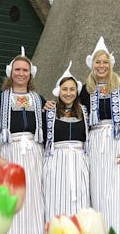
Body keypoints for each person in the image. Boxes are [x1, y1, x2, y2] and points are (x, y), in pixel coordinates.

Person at [0, 47, 45, 233]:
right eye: (18, 69)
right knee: (8, 202)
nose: (21, 73)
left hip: (34, 156)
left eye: (25, 70)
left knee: (33, 199)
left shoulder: (39, 100)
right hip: (8, 154)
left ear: (30, 74)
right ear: (10, 72)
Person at [78, 36, 120, 234]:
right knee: (99, 192)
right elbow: (73, 113)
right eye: (98, 62)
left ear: (110, 64)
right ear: (92, 65)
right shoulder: (85, 90)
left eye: (105, 62)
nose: (101, 66)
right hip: (95, 144)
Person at [42, 62, 90, 220]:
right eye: (64, 89)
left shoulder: (84, 111)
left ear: (77, 91)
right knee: (55, 202)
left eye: (71, 89)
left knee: (80, 203)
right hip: (56, 163)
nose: (68, 93)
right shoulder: (49, 111)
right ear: (58, 91)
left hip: (79, 162)